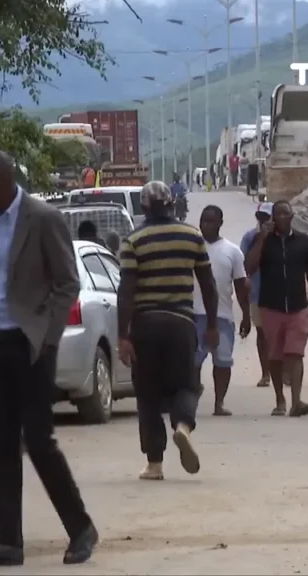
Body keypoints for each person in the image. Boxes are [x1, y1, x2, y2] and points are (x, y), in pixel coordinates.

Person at [0, 150, 97, 568]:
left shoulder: (43, 218)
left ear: (3, 180)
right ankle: (7, 541)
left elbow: (67, 282)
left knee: (38, 441)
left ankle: (80, 528)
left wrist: (47, 336)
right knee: (1, 445)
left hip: (30, 344)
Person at [118, 181, 217, 481]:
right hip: (181, 323)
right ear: (172, 203)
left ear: (144, 207)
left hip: (146, 325)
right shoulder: (192, 236)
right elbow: (208, 285)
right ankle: (183, 425)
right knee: (186, 385)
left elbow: (126, 291)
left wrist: (123, 335)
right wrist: (212, 324)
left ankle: (154, 464)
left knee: (147, 395)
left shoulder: (133, 240)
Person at [244, 200, 308, 417]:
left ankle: (296, 401)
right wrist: (262, 239)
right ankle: (280, 398)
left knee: (295, 353)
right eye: (277, 214)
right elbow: (249, 267)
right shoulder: (263, 241)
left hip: (298, 306)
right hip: (270, 306)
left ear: (292, 216)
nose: (281, 217)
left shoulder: (303, 241)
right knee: (275, 355)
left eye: (285, 213)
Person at [193, 205, 250, 417]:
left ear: (220, 223)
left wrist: (246, 315)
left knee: (223, 363)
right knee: (192, 363)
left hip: (223, 317)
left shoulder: (232, 251)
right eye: (203, 221)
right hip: (194, 314)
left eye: (210, 221)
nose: (205, 225)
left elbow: (240, 285)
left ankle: (219, 402)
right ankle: (193, 396)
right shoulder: (192, 248)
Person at [240, 202, 274, 388]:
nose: (265, 221)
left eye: (268, 218)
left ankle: (285, 370)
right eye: (262, 218)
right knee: (262, 334)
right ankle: (266, 373)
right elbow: (247, 267)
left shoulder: (284, 237)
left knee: (281, 334)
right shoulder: (250, 237)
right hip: (257, 293)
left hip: (280, 293)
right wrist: (261, 240)